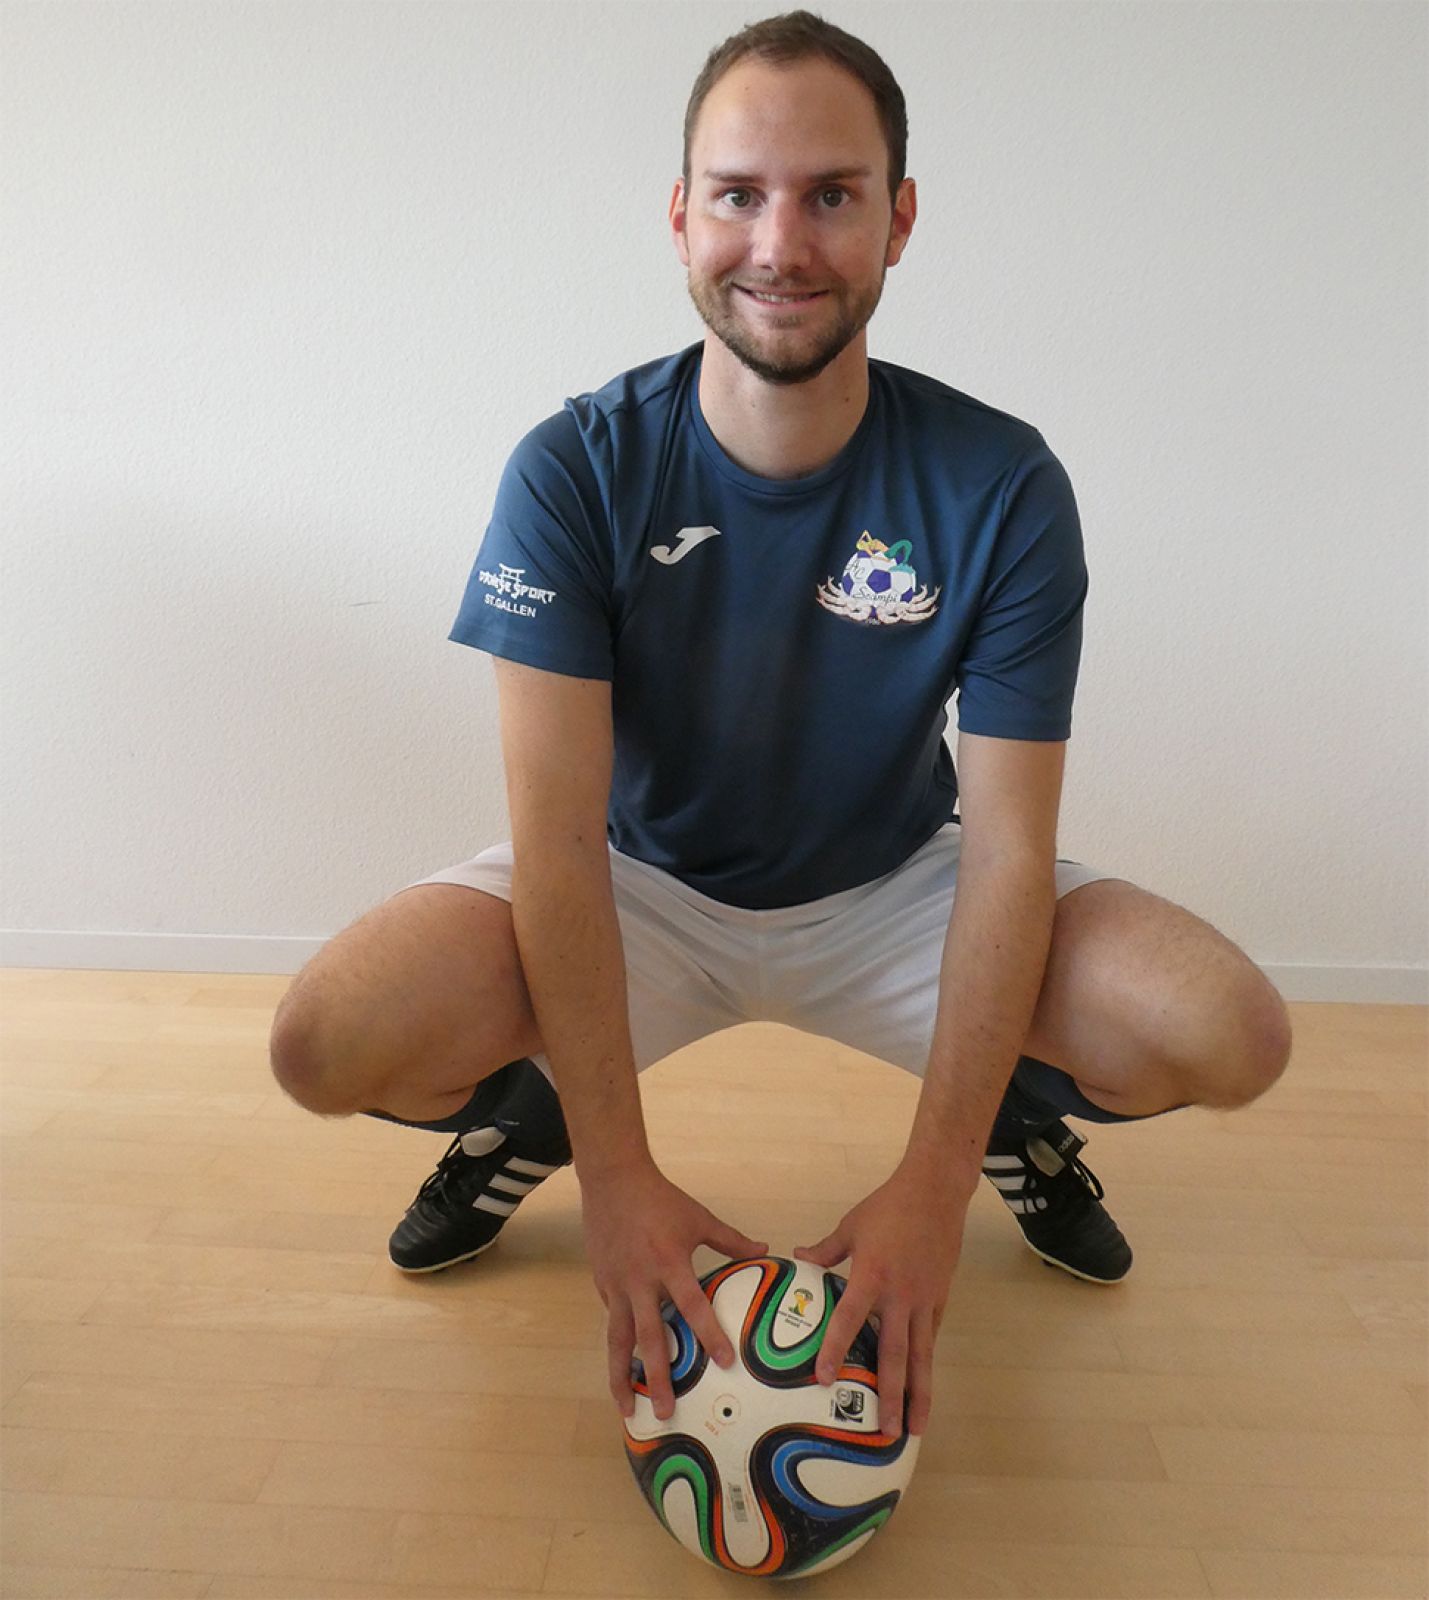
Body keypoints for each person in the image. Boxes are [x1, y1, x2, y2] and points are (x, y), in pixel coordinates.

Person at [268, 10, 1293, 1443]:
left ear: (898, 220)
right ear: (680, 215)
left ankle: (997, 1122)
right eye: (739, 194)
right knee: (325, 1043)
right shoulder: (573, 468)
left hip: (894, 890)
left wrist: (928, 1188)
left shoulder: (1000, 483)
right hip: (636, 887)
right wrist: (619, 1181)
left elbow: (1008, 851)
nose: (780, 244)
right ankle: (542, 1113)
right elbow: (556, 844)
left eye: (831, 196)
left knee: (1229, 1031)